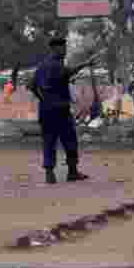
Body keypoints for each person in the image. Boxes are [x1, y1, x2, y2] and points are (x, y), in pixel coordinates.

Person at [30, 34, 98, 184]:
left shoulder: (41, 66)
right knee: (70, 140)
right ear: (55, 48)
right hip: (60, 110)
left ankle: (49, 174)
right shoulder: (56, 65)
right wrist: (86, 63)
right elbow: (69, 72)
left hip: (45, 110)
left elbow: (31, 86)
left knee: (49, 141)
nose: (65, 50)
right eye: (62, 48)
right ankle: (72, 172)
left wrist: (42, 99)